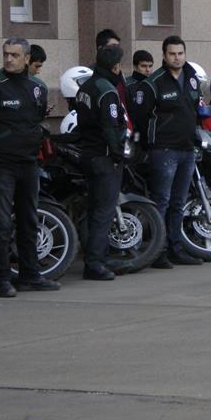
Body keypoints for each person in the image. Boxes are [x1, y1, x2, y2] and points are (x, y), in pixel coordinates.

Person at [0, 38, 60, 297]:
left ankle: (30, 275)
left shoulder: (38, 87)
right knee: (0, 223)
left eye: (15, 55)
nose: (9, 59)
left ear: (27, 58)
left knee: (29, 220)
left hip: (29, 163)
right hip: (1, 164)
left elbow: (37, 117)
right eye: (6, 54)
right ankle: (1, 280)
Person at [132, 36, 205, 267]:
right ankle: (158, 252)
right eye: (172, 54)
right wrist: (152, 141)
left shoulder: (192, 78)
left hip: (187, 148)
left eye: (180, 53)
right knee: (161, 202)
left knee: (178, 202)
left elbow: (194, 110)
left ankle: (176, 248)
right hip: (163, 150)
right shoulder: (154, 82)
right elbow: (141, 117)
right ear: (164, 56)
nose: (177, 57)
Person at [75, 45, 129, 281]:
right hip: (104, 156)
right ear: (116, 66)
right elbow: (110, 127)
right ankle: (95, 263)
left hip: (88, 152)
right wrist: (118, 154)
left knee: (94, 210)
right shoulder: (107, 91)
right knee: (103, 212)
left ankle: (99, 256)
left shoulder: (86, 86)